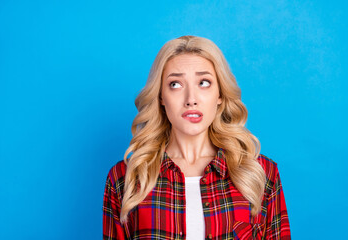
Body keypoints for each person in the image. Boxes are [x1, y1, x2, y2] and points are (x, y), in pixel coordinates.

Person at [103, 36, 291, 239]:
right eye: (175, 84)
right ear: (161, 97)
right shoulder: (127, 178)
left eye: (204, 82)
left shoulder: (260, 174)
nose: (191, 99)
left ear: (219, 94)